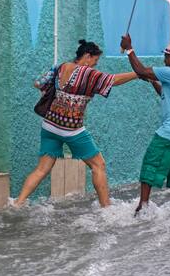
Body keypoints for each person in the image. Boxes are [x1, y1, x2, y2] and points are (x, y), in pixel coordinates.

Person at [14, 40, 137, 207]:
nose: (94, 65)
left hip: (49, 125)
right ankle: (106, 208)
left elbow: (39, 83)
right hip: (71, 129)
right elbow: (112, 80)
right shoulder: (87, 73)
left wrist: (61, 95)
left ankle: (18, 203)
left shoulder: (60, 67)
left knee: (42, 169)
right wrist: (138, 73)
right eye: (95, 60)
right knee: (98, 164)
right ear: (87, 56)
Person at [120, 34, 170, 222]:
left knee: (151, 162)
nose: (164, 59)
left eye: (166, 56)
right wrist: (152, 81)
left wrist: (129, 49)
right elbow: (164, 92)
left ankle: (142, 207)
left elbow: (140, 69)